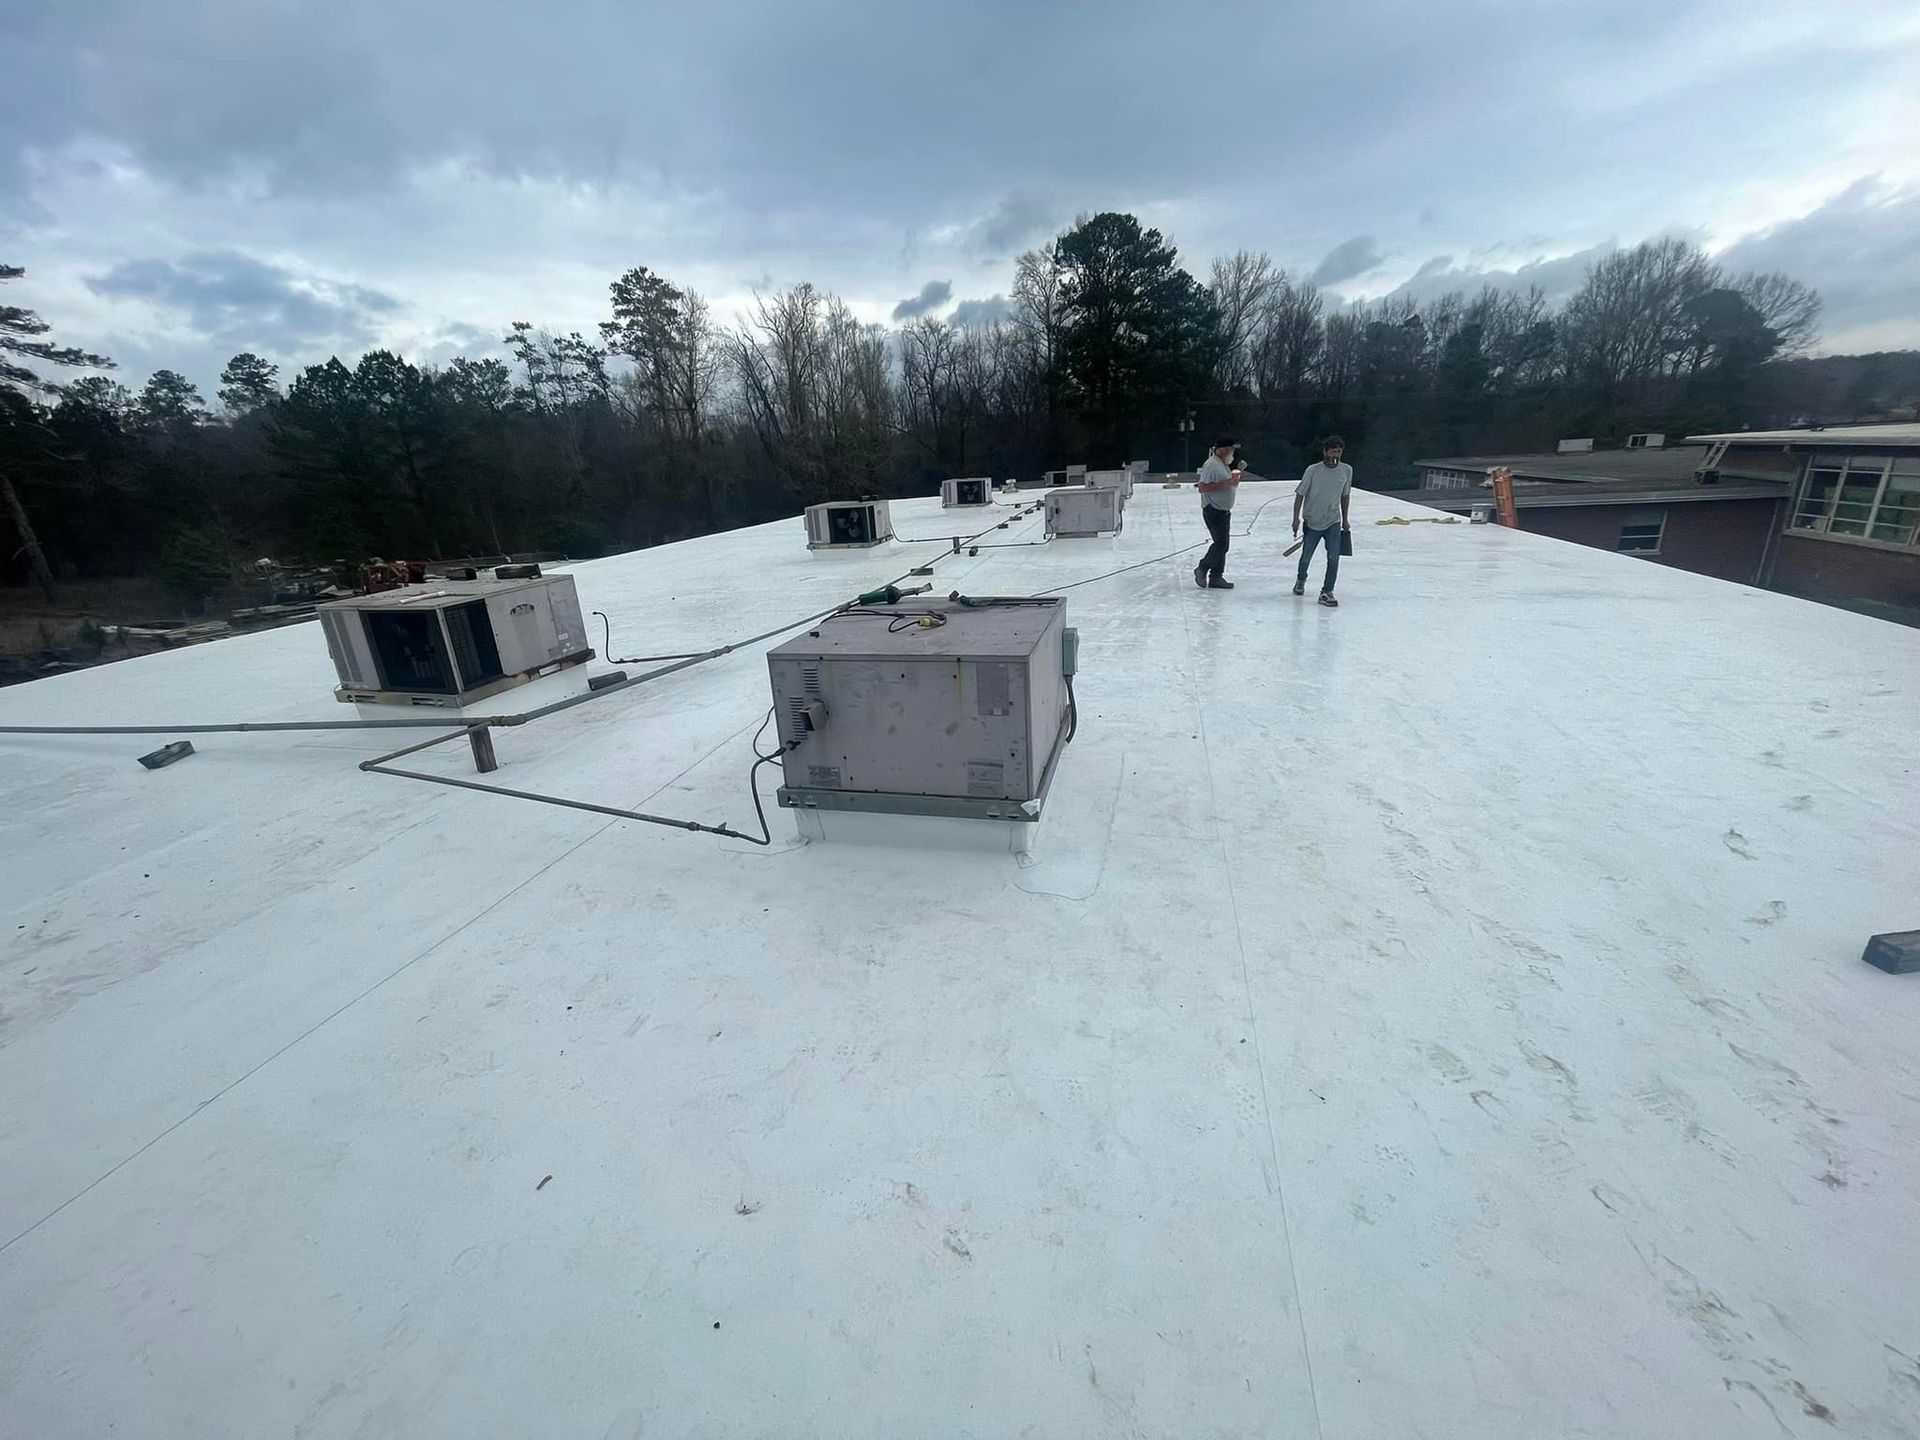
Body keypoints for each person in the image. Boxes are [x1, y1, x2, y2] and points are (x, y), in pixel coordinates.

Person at [1292, 435, 1352, 607]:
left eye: (1339, 451)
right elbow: (1300, 494)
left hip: (1333, 520)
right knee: (1306, 557)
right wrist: (1295, 518)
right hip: (1312, 520)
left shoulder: (1346, 470)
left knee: (1333, 557)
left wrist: (1345, 519)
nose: (1336, 454)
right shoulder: (1313, 470)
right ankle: (1301, 580)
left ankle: (1327, 591)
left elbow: (1345, 495)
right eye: (1333, 450)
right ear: (1325, 451)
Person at [1193, 437, 1241, 590]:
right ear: (1223, 450)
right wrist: (1225, 484)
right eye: (1232, 449)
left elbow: (1229, 483)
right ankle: (1202, 568)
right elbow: (1202, 487)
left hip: (1223, 511)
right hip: (1213, 510)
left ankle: (1216, 577)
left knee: (1222, 544)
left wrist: (1239, 471)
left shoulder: (1223, 464)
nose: (1233, 453)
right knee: (1221, 545)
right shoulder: (1211, 465)